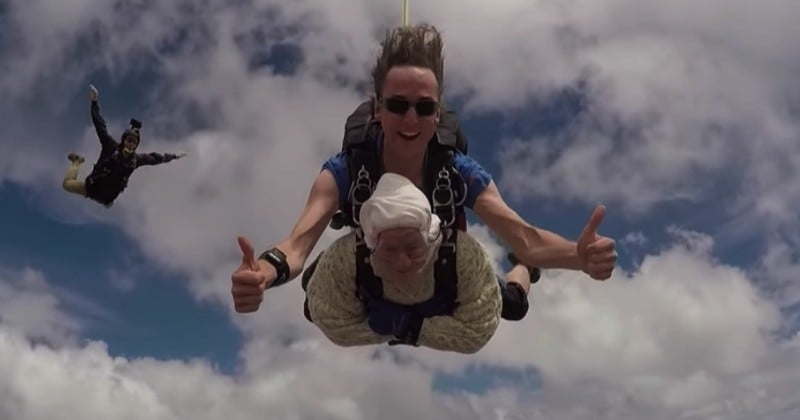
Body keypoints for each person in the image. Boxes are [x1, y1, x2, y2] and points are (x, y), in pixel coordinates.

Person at [230, 23, 616, 342]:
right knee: (313, 297)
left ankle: (523, 273)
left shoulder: (457, 172)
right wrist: (263, 274)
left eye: (425, 107)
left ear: (437, 113)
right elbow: (298, 245)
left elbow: (525, 239)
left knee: (512, 304)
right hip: (377, 262)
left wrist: (577, 258)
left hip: (439, 264)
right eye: (398, 105)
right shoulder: (346, 170)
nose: (411, 120)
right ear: (378, 110)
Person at [301, 172, 537, 353]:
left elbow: (476, 331)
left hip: (449, 283)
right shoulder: (346, 258)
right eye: (390, 250)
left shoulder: (465, 256)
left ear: (431, 238)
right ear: (372, 246)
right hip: (352, 273)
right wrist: (391, 329)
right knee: (312, 304)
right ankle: (322, 267)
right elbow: (335, 325)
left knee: (514, 305)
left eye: (413, 248)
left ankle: (525, 265)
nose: (402, 263)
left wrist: (410, 328)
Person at [62, 84, 187, 208]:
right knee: (67, 185)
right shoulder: (110, 146)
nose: (131, 144)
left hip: (106, 198)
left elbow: (155, 158)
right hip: (91, 188)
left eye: (134, 143)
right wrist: (94, 103)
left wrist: (174, 156)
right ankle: (77, 161)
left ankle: (79, 164)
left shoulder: (136, 160)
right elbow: (100, 126)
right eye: (129, 140)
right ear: (123, 140)